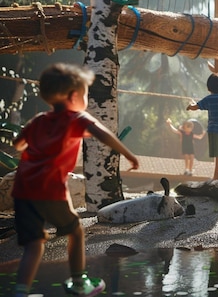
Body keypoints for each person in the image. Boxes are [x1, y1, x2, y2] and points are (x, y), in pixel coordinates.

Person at [11, 63, 140, 297]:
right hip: (49, 189)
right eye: (85, 94)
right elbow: (104, 134)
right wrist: (128, 154)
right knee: (76, 231)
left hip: (22, 189)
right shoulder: (76, 118)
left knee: (34, 243)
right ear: (74, 96)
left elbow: (17, 144)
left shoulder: (39, 120)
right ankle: (80, 283)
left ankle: (20, 292)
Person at [187, 72, 218, 180]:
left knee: (217, 152)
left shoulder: (208, 99)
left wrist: (190, 106)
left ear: (208, 88)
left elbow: (196, 106)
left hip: (213, 129)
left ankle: (216, 176)